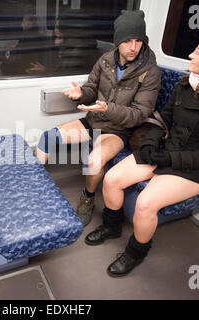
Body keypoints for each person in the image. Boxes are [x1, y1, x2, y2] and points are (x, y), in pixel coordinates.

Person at [92, 30, 199, 277]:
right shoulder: (186, 85)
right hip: (166, 151)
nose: (191, 54)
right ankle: (112, 226)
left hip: (197, 168)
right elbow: (162, 119)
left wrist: (170, 159)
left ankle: (137, 251)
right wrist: (149, 143)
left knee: (145, 204)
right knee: (112, 178)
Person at [35, 10, 161, 226]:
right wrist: (81, 94)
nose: (133, 47)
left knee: (94, 161)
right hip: (93, 120)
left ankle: (88, 197)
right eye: (127, 41)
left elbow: (139, 115)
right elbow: (92, 87)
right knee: (47, 138)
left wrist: (107, 109)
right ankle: (35, 190)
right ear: (117, 40)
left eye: (138, 41)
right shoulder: (105, 60)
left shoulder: (150, 72)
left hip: (118, 130)